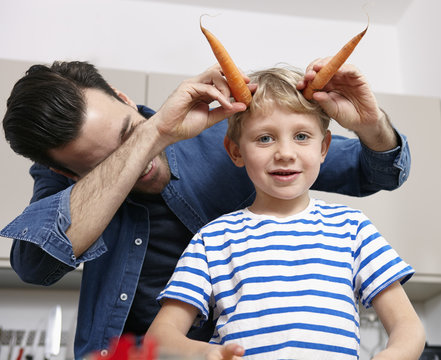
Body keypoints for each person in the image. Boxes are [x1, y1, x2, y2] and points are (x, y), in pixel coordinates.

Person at [0, 59, 410, 359]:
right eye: (104, 161)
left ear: (126, 99)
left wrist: (371, 123)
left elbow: (375, 170)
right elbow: (36, 264)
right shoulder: (212, 238)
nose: (136, 162)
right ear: (63, 171)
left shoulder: (234, 136)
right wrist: (152, 134)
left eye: (129, 132)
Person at [146, 67, 425, 360]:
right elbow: (160, 338)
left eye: (302, 136)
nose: (285, 153)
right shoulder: (212, 239)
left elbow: (408, 327)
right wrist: (206, 353)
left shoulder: (352, 229)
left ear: (324, 148)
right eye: (265, 138)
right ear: (236, 151)